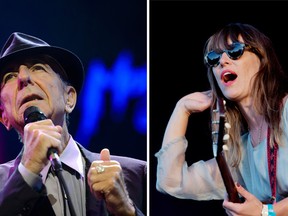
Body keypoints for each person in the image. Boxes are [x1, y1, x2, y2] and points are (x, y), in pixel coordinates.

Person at [0, 32, 147, 216]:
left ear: (69, 98)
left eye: (38, 67)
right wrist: (28, 169)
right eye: (9, 77)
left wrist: (125, 209)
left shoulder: (137, 176)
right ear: (3, 116)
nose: (23, 77)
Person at [155, 22, 288, 215]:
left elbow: (265, 212)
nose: (222, 61)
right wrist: (181, 109)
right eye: (213, 58)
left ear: (262, 58)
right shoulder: (238, 154)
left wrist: (266, 212)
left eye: (234, 51)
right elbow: (170, 182)